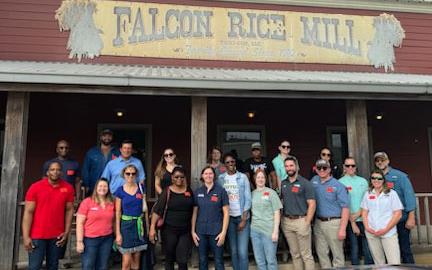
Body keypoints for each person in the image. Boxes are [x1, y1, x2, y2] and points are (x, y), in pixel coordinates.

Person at [22, 161, 74, 270]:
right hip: (37, 235)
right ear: (47, 172)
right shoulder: (35, 187)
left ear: (61, 172)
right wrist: (26, 236)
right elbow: (28, 212)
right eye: (52, 169)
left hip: (57, 236)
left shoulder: (68, 188)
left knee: (53, 266)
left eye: (58, 170)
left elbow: (69, 210)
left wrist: (66, 232)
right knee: (34, 267)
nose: (55, 172)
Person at [374, 151, 416, 264]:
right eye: (377, 161)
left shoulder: (400, 176)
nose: (380, 162)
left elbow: (409, 196)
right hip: (386, 221)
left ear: (388, 161)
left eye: (382, 160)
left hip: (401, 220)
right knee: (389, 251)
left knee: (404, 249)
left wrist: (411, 217)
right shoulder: (376, 178)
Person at [149, 167, 194, 270]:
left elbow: (194, 208)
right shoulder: (167, 191)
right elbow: (157, 210)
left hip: (185, 231)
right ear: (172, 178)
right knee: (169, 259)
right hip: (169, 230)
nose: (179, 179)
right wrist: (152, 228)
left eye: (181, 177)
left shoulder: (189, 190)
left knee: (183, 260)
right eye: (176, 177)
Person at [311, 159, 349, 268]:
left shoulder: (338, 185)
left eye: (324, 168)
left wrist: (342, 228)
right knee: (321, 253)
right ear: (316, 169)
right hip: (318, 222)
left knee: (337, 254)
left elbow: (345, 208)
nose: (322, 170)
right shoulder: (314, 181)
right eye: (319, 168)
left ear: (329, 169)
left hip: (334, 223)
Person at [361, 169, 403, 265]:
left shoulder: (391, 193)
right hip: (372, 233)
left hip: (388, 233)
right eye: (373, 178)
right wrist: (367, 228)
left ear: (383, 180)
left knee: (394, 263)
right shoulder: (367, 194)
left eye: (379, 178)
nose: (376, 180)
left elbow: (398, 214)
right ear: (370, 180)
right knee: (379, 263)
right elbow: (364, 212)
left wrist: (386, 229)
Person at [280, 156, 316, 270]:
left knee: (306, 255)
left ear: (296, 166)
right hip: (287, 222)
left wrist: (307, 222)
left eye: (291, 165)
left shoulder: (305, 183)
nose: (289, 168)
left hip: (302, 221)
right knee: (295, 254)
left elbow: (312, 204)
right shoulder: (283, 183)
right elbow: (282, 202)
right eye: (286, 166)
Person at [192, 166, 229, 270]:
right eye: (206, 173)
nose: (208, 176)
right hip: (201, 232)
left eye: (210, 173)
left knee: (218, 260)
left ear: (214, 176)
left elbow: (226, 213)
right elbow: (194, 213)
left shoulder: (221, 191)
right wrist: (193, 232)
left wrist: (223, 233)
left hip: (217, 232)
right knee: (202, 260)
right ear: (202, 176)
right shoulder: (198, 191)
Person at [218, 153, 251, 270]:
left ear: (235, 162)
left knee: (242, 251)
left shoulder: (243, 177)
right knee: (234, 251)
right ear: (224, 165)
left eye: (232, 161)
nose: (230, 164)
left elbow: (248, 198)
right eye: (227, 162)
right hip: (229, 219)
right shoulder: (221, 179)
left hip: (242, 217)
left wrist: (243, 218)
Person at [338, 157, 373, 265]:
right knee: (355, 248)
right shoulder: (340, 182)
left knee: (368, 248)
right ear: (344, 167)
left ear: (356, 167)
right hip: (351, 220)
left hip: (365, 218)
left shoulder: (363, 181)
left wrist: (360, 213)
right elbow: (343, 204)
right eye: (348, 166)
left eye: (352, 165)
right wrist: (353, 222)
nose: (350, 168)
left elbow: (366, 200)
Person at [76, 178, 115, 270]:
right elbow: (80, 223)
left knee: (103, 266)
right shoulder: (87, 202)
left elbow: (114, 221)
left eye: (105, 186)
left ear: (108, 188)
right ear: (96, 188)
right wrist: (79, 241)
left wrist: (117, 236)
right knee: (88, 266)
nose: (103, 188)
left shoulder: (111, 203)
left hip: (107, 239)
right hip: (90, 240)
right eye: (100, 186)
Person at [115, 164, 148, 270]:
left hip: (139, 225)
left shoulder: (141, 188)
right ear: (123, 175)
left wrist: (148, 228)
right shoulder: (120, 190)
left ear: (136, 175)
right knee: (126, 260)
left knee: (136, 259)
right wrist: (118, 233)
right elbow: (118, 212)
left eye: (133, 173)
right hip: (126, 225)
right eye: (128, 173)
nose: (130, 176)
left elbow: (145, 209)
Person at [250, 169, 282, 270]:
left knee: (271, 261)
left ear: (266, 179)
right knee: (260, 261)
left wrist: (275, 231)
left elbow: (277, 212)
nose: (260, 179)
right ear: (255, 179)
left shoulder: (271, 193)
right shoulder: (252, 194)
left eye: (262, 177)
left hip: (269, 231)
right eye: (258, 177)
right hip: (255, 231)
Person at [82, 129, 120, 196]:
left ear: (112, 137)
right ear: (100, 137)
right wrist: (86, 185)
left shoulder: (117, 152)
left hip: (112, 186)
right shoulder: (92, 152)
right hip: (94, 186)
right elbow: (85, 170)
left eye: (109, 136)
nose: (107, 138)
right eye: (104, 136)